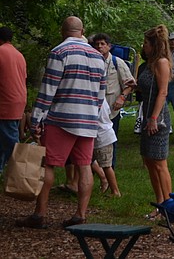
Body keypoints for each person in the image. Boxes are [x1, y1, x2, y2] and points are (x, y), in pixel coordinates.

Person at [16, 17, 105, 229]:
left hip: (61, 119)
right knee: (84, 167)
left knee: (49, 165)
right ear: (82, 30)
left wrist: (36, 119)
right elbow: (101, 95)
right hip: (88, 120)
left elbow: (48, 90)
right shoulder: (98, 57)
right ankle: (80, 215)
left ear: (61, 31)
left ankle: (39, 214)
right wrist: (92, 114)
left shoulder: (59, 53)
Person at [136, 25, 173, 219]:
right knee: (149, 161)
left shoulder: (161, 62)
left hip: (158, 117)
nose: (144, 46)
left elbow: (163, 92)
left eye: (146, 43)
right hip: (148, 113)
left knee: (159, 162)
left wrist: (154, 119)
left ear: (153, 45)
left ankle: (169, 206)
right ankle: (159, 204)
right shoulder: (149, 63)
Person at [90, 33, 135, 167]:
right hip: (93, 111)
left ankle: (110, 168)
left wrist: (122, 97)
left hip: (111, 110)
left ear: (109, 46)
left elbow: (131, 84)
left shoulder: (117, 63)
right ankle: (94, 168)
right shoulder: (91, 62)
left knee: (110, 141)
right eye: (97, 44)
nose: (99, 47)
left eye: (102, 44)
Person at [0, 26, 27, 174]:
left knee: (10, 139)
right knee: (5, 137)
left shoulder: (1, 52)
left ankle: (20, 172)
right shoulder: (19, 55)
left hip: (5, 102)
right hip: (18, 101)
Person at [91, 98, 120, 196]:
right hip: (101, 135)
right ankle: (104, 180)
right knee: (91, 160)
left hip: (103, 136)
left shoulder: (97, 100)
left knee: (106, 165)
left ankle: (115, 191)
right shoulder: (102, 99)